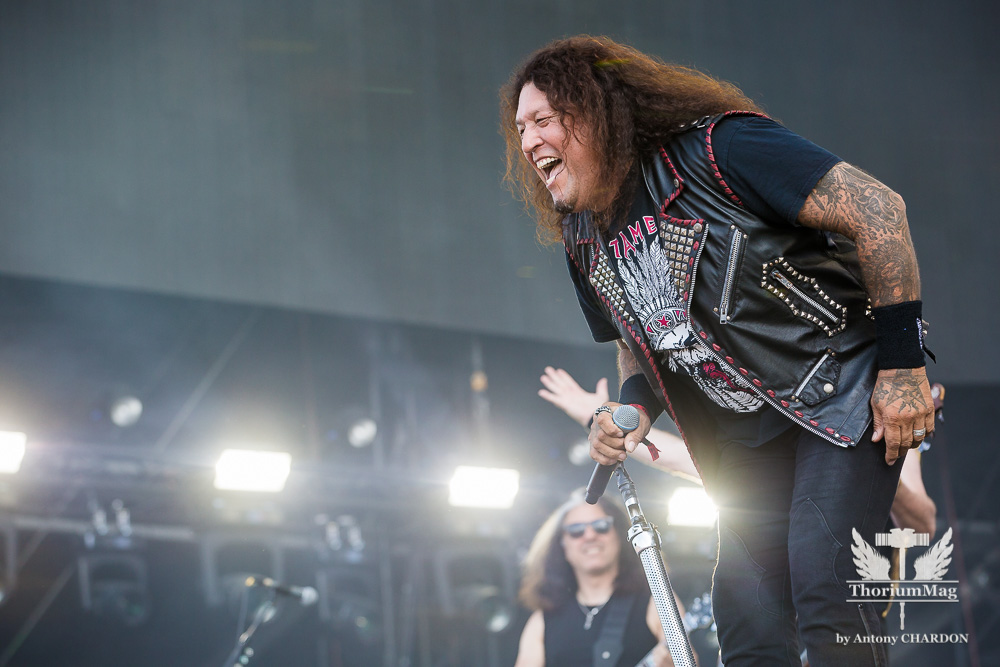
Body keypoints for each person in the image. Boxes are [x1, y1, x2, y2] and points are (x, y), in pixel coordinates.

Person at [501, 36, 935, 665]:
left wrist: (902, 366)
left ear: (596, 112)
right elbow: (639, 340)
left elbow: (878, 210)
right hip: (742, 438)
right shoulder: (584, 235)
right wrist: (631, 409)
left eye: (544, 120)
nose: (529, 141)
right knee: (746, 622)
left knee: (825, 580)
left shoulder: (719, 149)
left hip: (836, 395)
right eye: (520, 128)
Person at [538, 365, 936, 534]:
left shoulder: (878, 421)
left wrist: (873, 464)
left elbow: (922, 525)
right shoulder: (763, 427)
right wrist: (598, 417)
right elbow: (679, 458)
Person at [514, 490, 675, 667]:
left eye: (601, 526)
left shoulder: (657, 602)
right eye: (576, 530)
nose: (590, 536)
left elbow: (688, 660)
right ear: (562, 545)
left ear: (620, 535)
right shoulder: (542, 620)